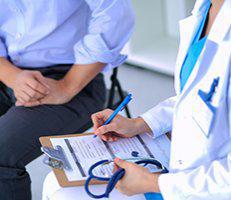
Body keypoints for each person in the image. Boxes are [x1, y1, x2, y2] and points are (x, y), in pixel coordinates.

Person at [92, 0, 231, 199]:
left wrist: (153, 183)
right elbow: (197, 98)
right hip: (181, 175)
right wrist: (138, 124)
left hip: (203, 188)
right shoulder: (205, 7)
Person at [0, 1, 135, 200]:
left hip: (73, 76)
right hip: (6, 69)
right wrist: (12, 77)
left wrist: (67, 86)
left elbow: (117, 15)